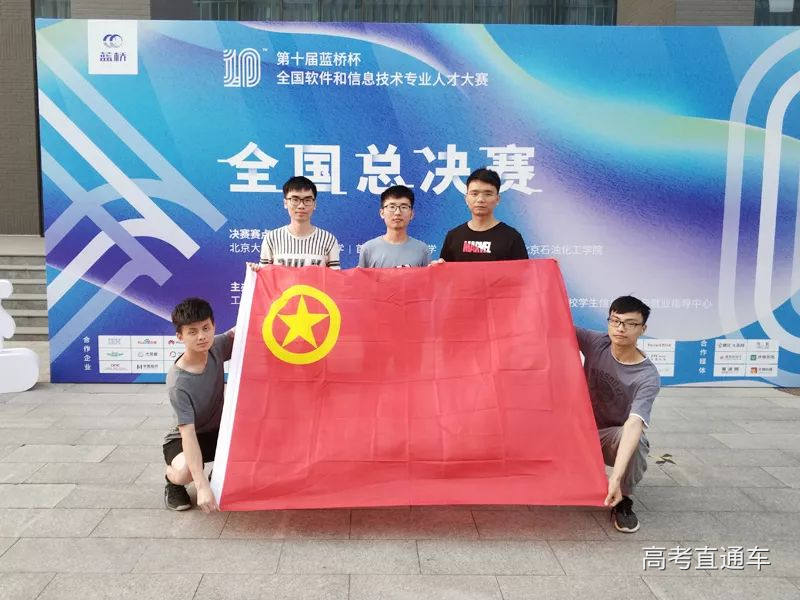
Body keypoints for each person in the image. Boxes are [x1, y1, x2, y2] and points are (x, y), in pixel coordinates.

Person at [576, 296, 660, 533]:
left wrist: (614, 477)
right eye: (615, 321)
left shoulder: (647, 376)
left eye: (630, 323)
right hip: (575, 431)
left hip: (607, 438)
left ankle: (622, 498)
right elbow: (556, 323)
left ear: (643, 329)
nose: (621, 328)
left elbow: (634, 424)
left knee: (637, 441)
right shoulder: (597, 342)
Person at [162, 298, 234, 512]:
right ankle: (171, 480)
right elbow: (188, 434)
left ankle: (217, 475)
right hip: (185, 438)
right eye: (192, 332)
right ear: (180, 336)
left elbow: (249, 327)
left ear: (213, 326)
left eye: (206, 328)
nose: (202, 336)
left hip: (218, 432)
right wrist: (201, 486)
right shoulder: (178, 383)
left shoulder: (217, 346)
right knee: (186, 471)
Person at [438, 167, 528, 262]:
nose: (480, 199)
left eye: (488, 194)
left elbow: (523, 270)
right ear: (466, 198)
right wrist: (438, 266)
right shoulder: (453, 236)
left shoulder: (512, 237)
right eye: (474, 194)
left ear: (497, 199)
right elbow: (445, 269)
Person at [251, 175, 340, 270]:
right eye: (295, 200)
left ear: (314, 204)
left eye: (307, 200)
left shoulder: (328, 240)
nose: (301, 206)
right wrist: (256, 271)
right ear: (285, 203)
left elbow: (335, 277)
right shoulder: (271, 239)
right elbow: (265, 276)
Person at [358, 185, 430, 268]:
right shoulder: (368, 249)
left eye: (404, 207)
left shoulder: (422, 249)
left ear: (411, 214)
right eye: (392, 207)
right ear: (382, 213)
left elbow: (428, 276)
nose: (397, 212)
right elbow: (362, 276)